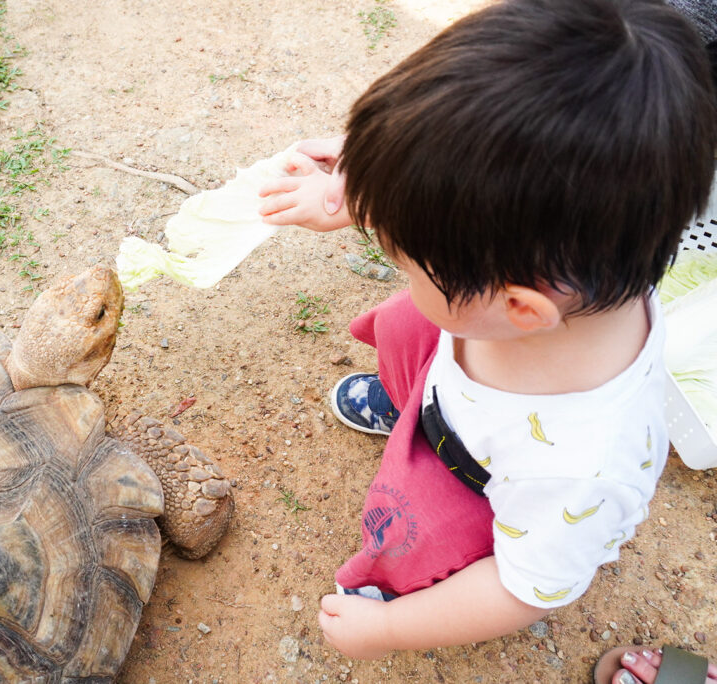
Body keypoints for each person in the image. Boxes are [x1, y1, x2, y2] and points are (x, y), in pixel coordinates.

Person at [257, 0, 717, 662]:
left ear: (518, 309)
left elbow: (523, 588)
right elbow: (496, 185)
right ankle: (411, 405)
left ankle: (406, 565)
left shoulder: (578, 468)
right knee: (411, 324)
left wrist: (389, 631)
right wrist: (378, 184)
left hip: (477, 477)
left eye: (406, 259)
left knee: (417, 530)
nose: (395, 263)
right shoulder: (587, 254)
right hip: (467, 379)